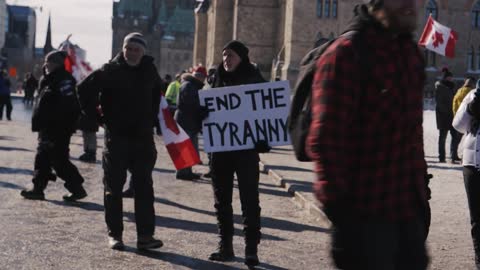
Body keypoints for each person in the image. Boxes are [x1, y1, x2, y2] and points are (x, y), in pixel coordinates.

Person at [306, 1, 430, 269]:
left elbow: (411, 136)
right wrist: (344, 216)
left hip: (409, 216)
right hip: (366, 218)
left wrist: (420, 199)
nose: (410, 4)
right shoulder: (346, 55)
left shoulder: (410, 54)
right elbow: (326, 140)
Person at [77, 32, 163, 250]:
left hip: (143, 140)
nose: (132, 52)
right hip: (117, 139)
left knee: (144, 189)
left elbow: (157, 97)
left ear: (143, 52)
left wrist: (151, 118)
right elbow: (83, 90)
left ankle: (145, 236)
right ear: (123, 49)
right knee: (113, 188)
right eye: (129, 48)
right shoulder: (110, 70)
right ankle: (115, 234)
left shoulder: (149, 71)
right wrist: (98, 119)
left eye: (137, 49)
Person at [207, 40, 270, 268]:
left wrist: (264, 138)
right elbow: (205, 108)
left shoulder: (254, 78)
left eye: (231, 55)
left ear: (241, 57)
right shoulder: (214, 78)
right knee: (221, 200)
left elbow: (266, 111)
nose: (226, 59)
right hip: (220, 150)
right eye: (224, 55)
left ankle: (251, 249)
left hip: (245, 151)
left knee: (249, 200)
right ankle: (225, 246)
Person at [20, 51, 87, 202]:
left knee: (57, 159)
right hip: (46, 128)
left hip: (58, 129)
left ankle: (76, 187)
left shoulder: (64, 80)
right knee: (45, 158)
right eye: (46, 61)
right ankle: (39, 189)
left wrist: (62, 126)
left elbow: (70, 105)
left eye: (49, 62)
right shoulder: (47, 79)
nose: (46, 64)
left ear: (57, 64)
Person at [453, 79, 480, 269]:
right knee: (477, 220)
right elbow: (458, 125)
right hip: (472, 164)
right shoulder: (473, 95)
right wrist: (471, 108)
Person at [174, 65, 208, 180]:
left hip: (188, 120)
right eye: (202, 77)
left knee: (189, 148)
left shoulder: (191, 85)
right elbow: (190, 104)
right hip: (186, 121)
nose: (203, 79)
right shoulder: (189, 86)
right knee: (185, 147)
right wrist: (201, 111)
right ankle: (183, 172)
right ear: (199, 77)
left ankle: (187, 171)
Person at [436, 68, 461, 163]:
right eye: (449, 77)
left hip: (452, 115)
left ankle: (453, 156)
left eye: (452, 77)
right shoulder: (440, 87)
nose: (451, 79)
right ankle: (441, 157)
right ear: (445, 78)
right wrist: (447, 112)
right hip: (443, 116)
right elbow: (439, 103)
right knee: (442, 137)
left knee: (455, 136)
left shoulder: (453, 87)